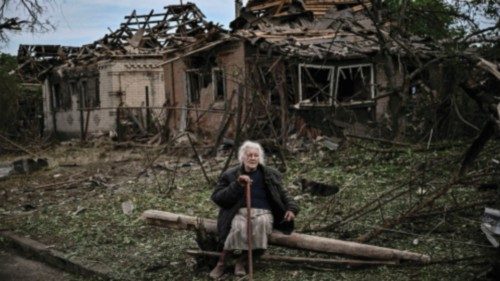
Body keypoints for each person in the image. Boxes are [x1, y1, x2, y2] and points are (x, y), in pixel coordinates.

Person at [209, 140, 299, 279]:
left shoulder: (270, 174)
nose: (252, 158)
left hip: (264, 212)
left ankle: (242, 261)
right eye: (249, 155)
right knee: (239, 226)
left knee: (261, 225)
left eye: (255, 155)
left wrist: (291, 209)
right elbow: (217, 197)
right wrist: (237, 184)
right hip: (239, 212)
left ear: (259, 158)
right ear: (242, 157)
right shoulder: (231, 174)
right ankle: (221, 263)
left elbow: (284, 194)